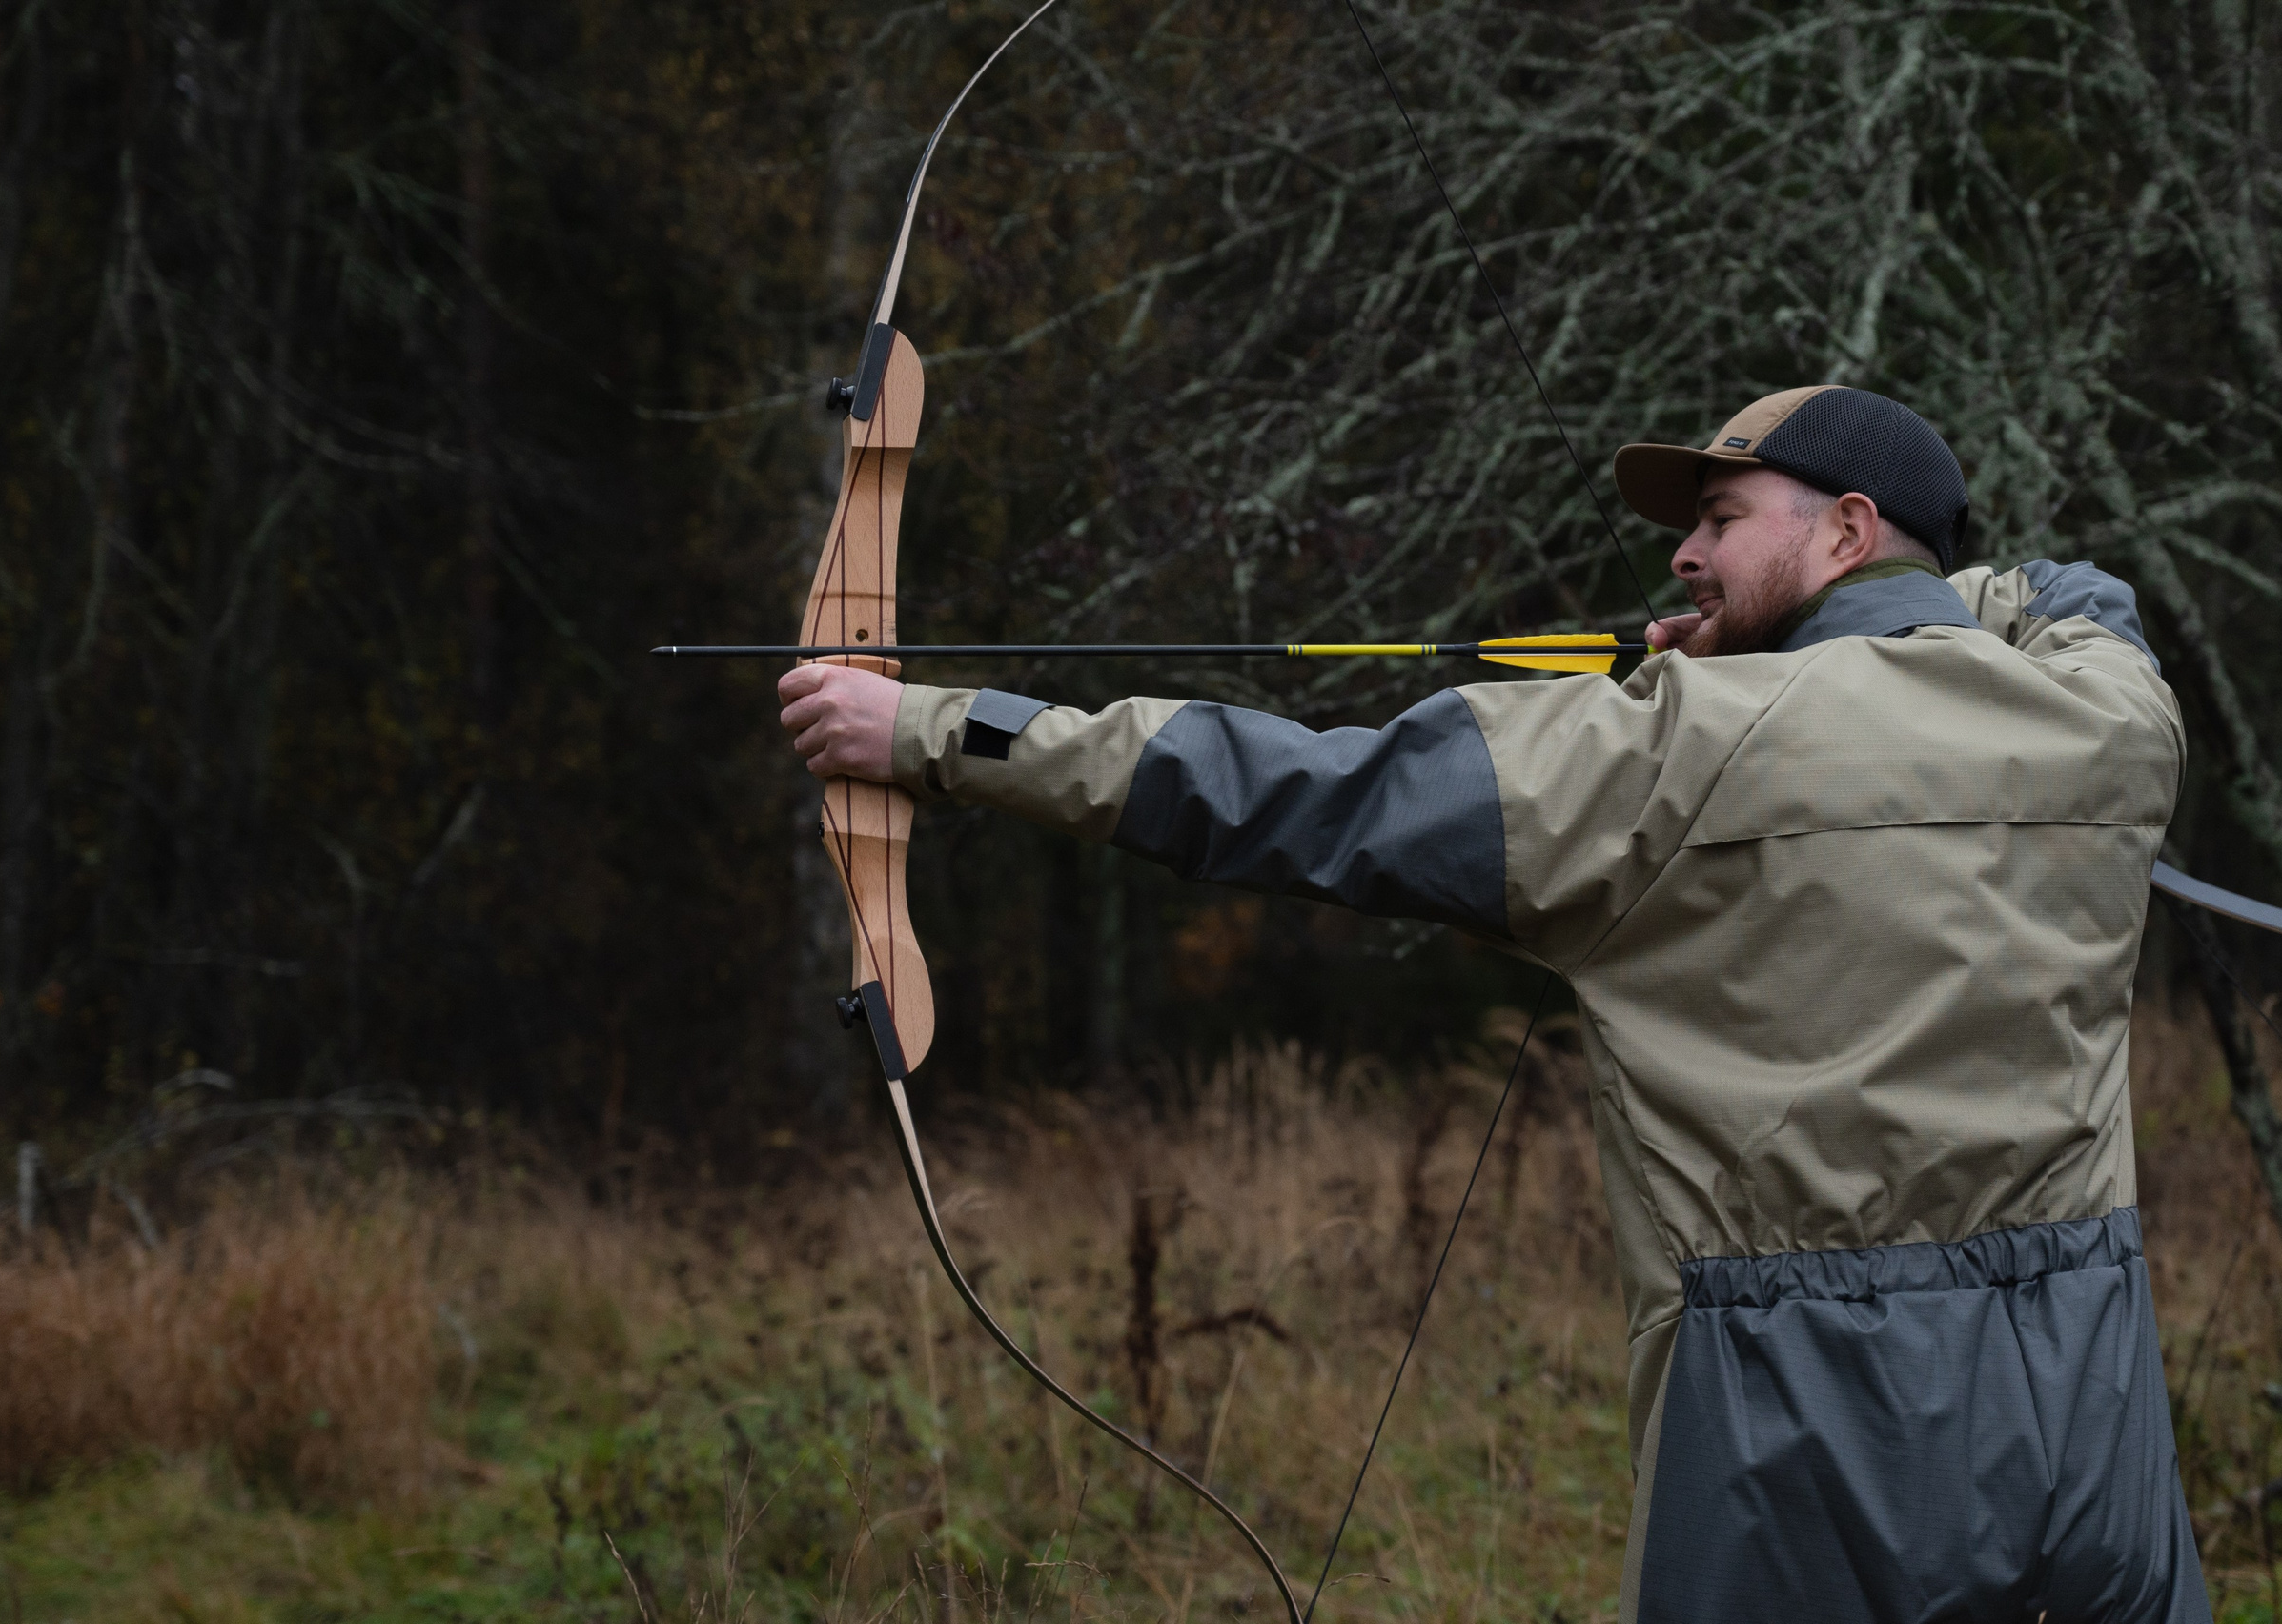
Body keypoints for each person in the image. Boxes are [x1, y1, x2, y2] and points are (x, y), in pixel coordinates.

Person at [776, 385, 2209, 1623]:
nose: (1684, 551)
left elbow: (1291, 793)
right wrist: (1879, 624)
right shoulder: (2109, 717)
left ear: (1844, 528)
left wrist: (934, 731)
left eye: (1724, 516)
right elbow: (2081, 592)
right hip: (2091, 1402)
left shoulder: (1676, 744)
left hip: (1803, 1419)